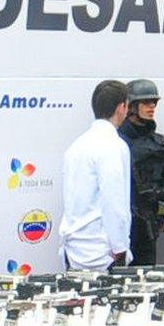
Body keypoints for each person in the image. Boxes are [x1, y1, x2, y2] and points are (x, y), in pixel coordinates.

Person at [60, 79, 133, 270]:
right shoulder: (113, 146)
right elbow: (115, 201)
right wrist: (120, 249)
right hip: (102, 254)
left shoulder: (76, 146)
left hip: (73, 250)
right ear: (122, 107)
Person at [119, 79, 164, 266]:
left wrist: (158, 193)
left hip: (148, 220)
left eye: (154, 102)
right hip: (121, 221)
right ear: (131, 106)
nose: (152, 107)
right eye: (146, 102)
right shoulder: (116, 142)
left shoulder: (159, 143)